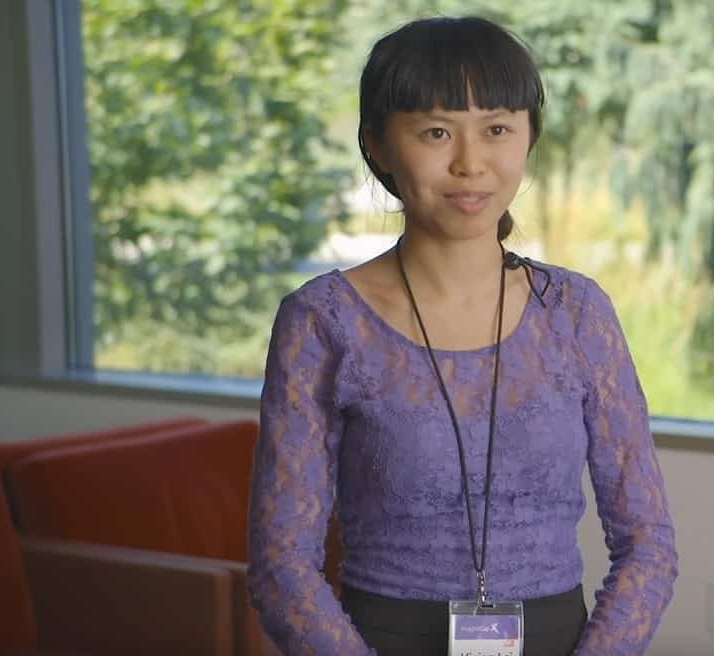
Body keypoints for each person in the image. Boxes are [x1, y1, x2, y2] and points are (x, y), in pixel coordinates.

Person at [246, 16, 678, 656]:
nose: (470, 164)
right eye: (436, 132)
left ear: (528, 138)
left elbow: (648, 544)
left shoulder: (577, 312)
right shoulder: (322, 320)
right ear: (377, 146)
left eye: (497, 129)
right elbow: (281, 564)